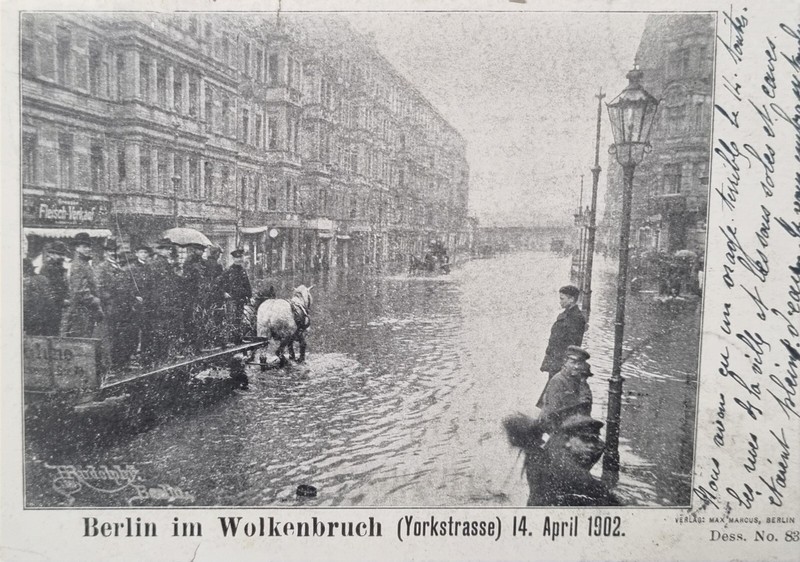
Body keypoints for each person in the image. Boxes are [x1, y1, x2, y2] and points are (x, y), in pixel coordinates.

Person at [504, 413, 622, 507]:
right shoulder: (576, 474)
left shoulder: (541, 456)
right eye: (585, 439)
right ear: (567, 441)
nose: (591, 445)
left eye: (594, 440)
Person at [95, 239, 137, 370]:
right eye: (109, 251)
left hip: (122, 307)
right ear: (105, 253)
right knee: (111, 336)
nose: (112, 253)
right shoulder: (101, 268)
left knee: (121, 336)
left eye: (114, 251)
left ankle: (120, 363)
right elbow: (99, 289)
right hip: (111, 307)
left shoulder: (118, 267)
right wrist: (111, 299)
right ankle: (111, 365)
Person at [536, 346, 593, 429]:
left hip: (573, 425)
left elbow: (586, 409)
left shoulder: (581, 382)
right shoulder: (558, 380)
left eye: (579, 363)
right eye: (573, 362)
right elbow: (553, 413)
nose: (576, 366)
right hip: (553, 426)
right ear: (565, 362)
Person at [540, 285, 586, 379]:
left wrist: (565, 364)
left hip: (562, 363)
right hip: (556, 361)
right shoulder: (565, 315)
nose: (560, 301)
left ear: (571, 299)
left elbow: (573, 344)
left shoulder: (576, 318)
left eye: (562, 299)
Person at [62, 232, 103, 337]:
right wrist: (95, 301)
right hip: (81, 311)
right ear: (77, 248)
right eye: (85, 247)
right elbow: (79, 290)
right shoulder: (78, 264)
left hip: (86, 310)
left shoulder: (84, 263)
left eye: (89, 246)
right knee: (81, 339)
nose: (88, 249)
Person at [148, 238, 178, 362]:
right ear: (160, 250)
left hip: (165, 300)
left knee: (164, 328)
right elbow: (159, 283)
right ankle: (160, 356)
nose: (168, 251)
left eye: (169, 249)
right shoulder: (158, 263)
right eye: (166, 249)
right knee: (161, 329)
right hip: (161, 300)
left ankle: (162, 355)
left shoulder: (164, 262)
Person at [39, 241, 70, 335]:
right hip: (49, 306)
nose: (62, 257)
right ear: (51, 254)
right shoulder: (48, 268)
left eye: (63, 254)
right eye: (59, 254)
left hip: (57, 306)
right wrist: (61, 300)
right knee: (50, 332)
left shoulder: (59, 268)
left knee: (55, 330)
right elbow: (47, 290)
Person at [222, 249, 252, 344]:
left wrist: (249, 295)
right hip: (232, 299)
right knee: (231, 318)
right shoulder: (228, 271)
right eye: (237, 258)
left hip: (241, 299)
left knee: (239, 318)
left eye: (240, 257)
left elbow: (247, 285)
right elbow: (220, 284)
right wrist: (224, 293)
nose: (239, 260)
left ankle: (238, 338)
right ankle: (230, 339)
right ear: (233, 259)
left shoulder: (243, 271)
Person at [23, 257, 54, 336]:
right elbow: (50, 298)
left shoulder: (25, 282)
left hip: (31, 317)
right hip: (46, 315)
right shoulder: (43, 279)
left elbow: (26, 302)